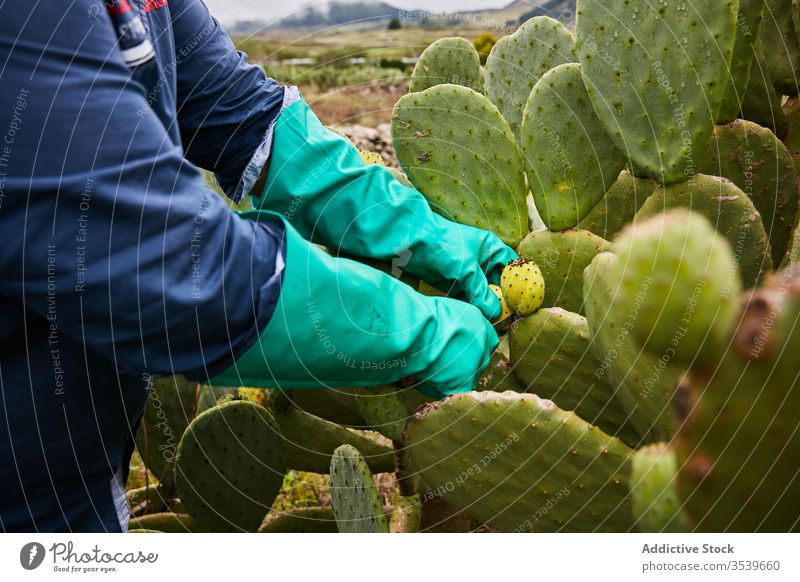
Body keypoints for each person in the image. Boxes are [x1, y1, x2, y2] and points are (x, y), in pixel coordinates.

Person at [0, 0, 515, 532]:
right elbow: (169, 268)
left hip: (79, 473)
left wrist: (413, 227)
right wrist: (412, 331)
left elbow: (242, 113)